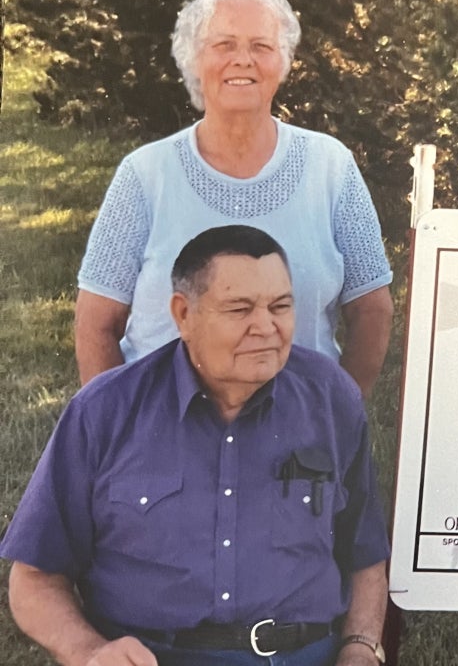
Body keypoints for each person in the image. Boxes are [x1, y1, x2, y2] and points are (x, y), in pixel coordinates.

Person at [2, 225, 390, 666]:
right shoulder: (105, 411)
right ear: (183, 314)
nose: (265, 327)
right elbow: (34, 576)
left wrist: (361, 648)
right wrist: (91, 652)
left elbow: (366, 556)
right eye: (239, 308)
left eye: (280, 306)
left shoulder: (331, 398)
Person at [74, 0, 393, 397]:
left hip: (297, 447)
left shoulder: (331, 167)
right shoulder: (144, 175)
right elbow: (95, 324)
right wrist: (119, 435)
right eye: (224, 44)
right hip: (166, 444)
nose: (242, 59)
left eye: (261, 45)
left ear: (283, 61)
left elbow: (373, 311)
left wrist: (336, 421)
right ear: (194, 58)